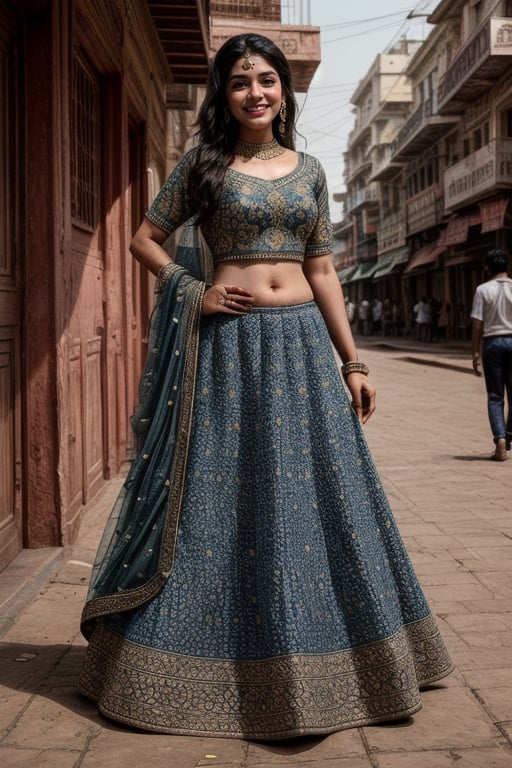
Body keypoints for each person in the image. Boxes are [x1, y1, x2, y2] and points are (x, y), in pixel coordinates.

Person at [78, 33, 453, 740]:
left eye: (267, 80)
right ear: (225, 96)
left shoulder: (311, 171)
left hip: (303, 345)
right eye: (241, 82)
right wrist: (194, 289)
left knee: (316, 493)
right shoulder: (204, 164)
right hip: (227, 345)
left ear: (285, 90)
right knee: (220, 494)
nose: (256, 92)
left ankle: (337, 661)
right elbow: (143, 238)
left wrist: (354, 362)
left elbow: (322, 270)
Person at [470, 247, 512, 462]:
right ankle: (509, 434)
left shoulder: (483, 290)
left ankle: (500, 439)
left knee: (495, 396)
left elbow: (477, 324)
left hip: (493, 343)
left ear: (487, 268)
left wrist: (475, 353)